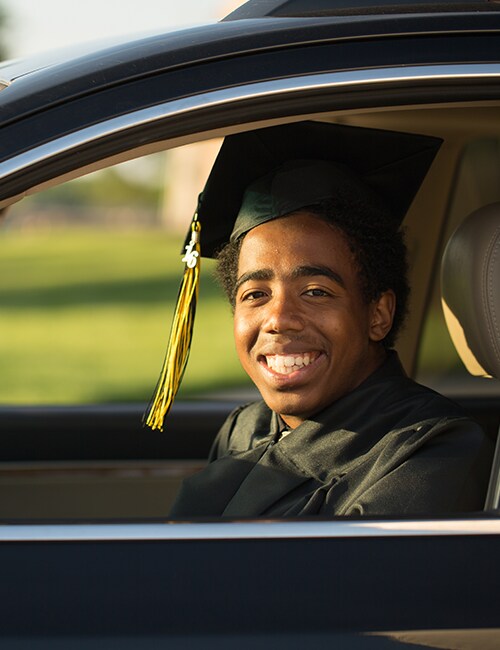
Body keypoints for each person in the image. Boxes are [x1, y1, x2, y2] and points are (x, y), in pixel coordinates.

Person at [166, 122, 492, 518]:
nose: (279, 319)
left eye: (316, 291)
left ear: (378, 314)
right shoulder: (245, 427)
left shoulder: (429, 449)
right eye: (255, 294)